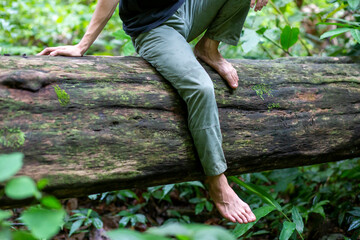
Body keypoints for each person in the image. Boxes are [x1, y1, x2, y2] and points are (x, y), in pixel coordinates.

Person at [37, 0, 269, 224]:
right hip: (155, 28)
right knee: (202, 88)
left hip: (186, 9)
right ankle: (217, 180)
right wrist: (82, 46)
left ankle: (209, 48)